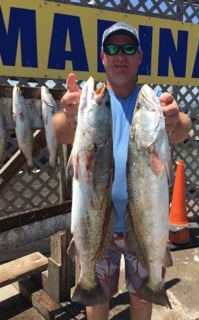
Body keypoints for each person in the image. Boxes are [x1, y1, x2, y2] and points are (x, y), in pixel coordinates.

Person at [53, 22, 191, 320]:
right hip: (97, 222)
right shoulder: (91, 102)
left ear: (139, 56)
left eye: (128, 48)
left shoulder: (150, 101)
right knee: (96, 298)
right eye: (112, 49)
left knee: (143, 297)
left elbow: (182, 128)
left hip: (144, 223)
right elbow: (60, 132)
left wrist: (175, 119)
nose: (120, 55)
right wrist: (68, 115)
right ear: (103, 57)